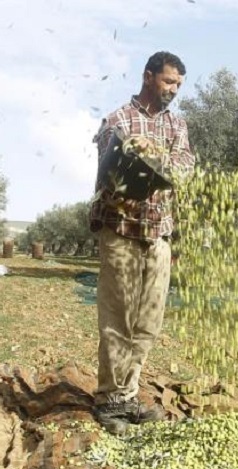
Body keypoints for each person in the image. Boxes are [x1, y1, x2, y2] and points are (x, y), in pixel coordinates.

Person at [89, 51, 195, 434]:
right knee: (118, 318)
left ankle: (128, 394)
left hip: (158, 234)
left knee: (148, 321)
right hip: (121, 231)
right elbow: (108, 170)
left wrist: (163, 167)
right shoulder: (118, 120)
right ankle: (109, 399)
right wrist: (135, 161)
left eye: (179, 85)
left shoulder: (177, 125)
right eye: (168, 82)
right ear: (149, 77)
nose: (173, 90)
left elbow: (184, 164)